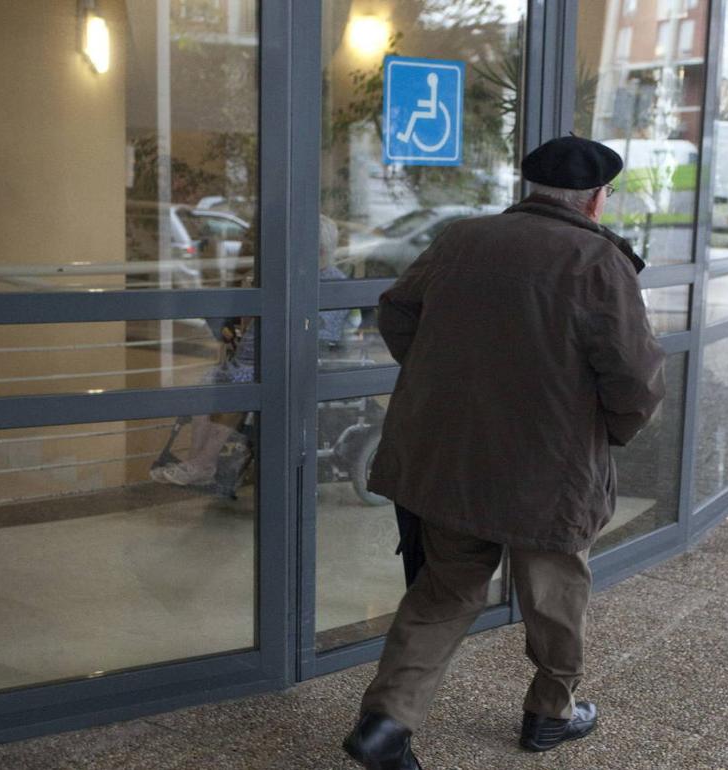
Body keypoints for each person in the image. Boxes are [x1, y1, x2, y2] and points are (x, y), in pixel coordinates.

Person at [341, 136, 666, 770]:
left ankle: (385, 724)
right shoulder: (598, 261)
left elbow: (397, 311)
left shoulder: (461, 238)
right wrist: (608, 432)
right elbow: (635, 378)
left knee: (444, 591)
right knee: (555, 595)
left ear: (532, 188)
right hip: (550, 468)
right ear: (597, 199)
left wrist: (444, 384)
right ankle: (551, 713)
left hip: (451, 457)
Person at [153, 215, 347, 487]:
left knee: (236, 386)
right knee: (207, 384)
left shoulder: (332, 283)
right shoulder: (294, 276)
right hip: (254, 357)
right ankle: (196, 461)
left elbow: (322, 336)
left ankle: (204, 462)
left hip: (286, 362)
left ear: (319, 251)